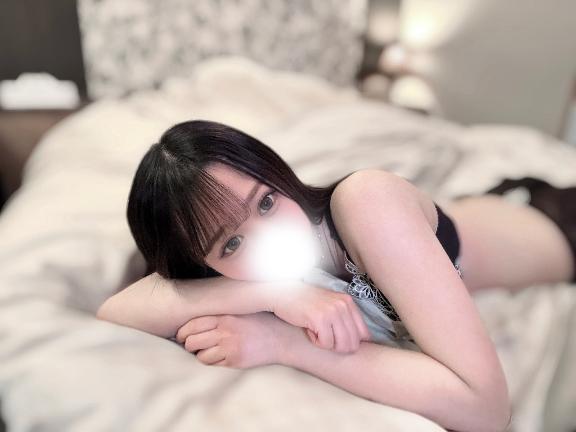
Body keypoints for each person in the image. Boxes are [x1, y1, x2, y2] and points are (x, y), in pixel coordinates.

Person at [97, 119, 576, 431]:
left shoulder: (366, 201)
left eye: (267, 202)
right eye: (232, 244)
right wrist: (275, 293)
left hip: (556, 224)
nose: (269, 238)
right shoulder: (252, 282)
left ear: (278, 175)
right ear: (205, 266)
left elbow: (487, 411)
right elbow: (115, 313)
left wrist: (286, 343)